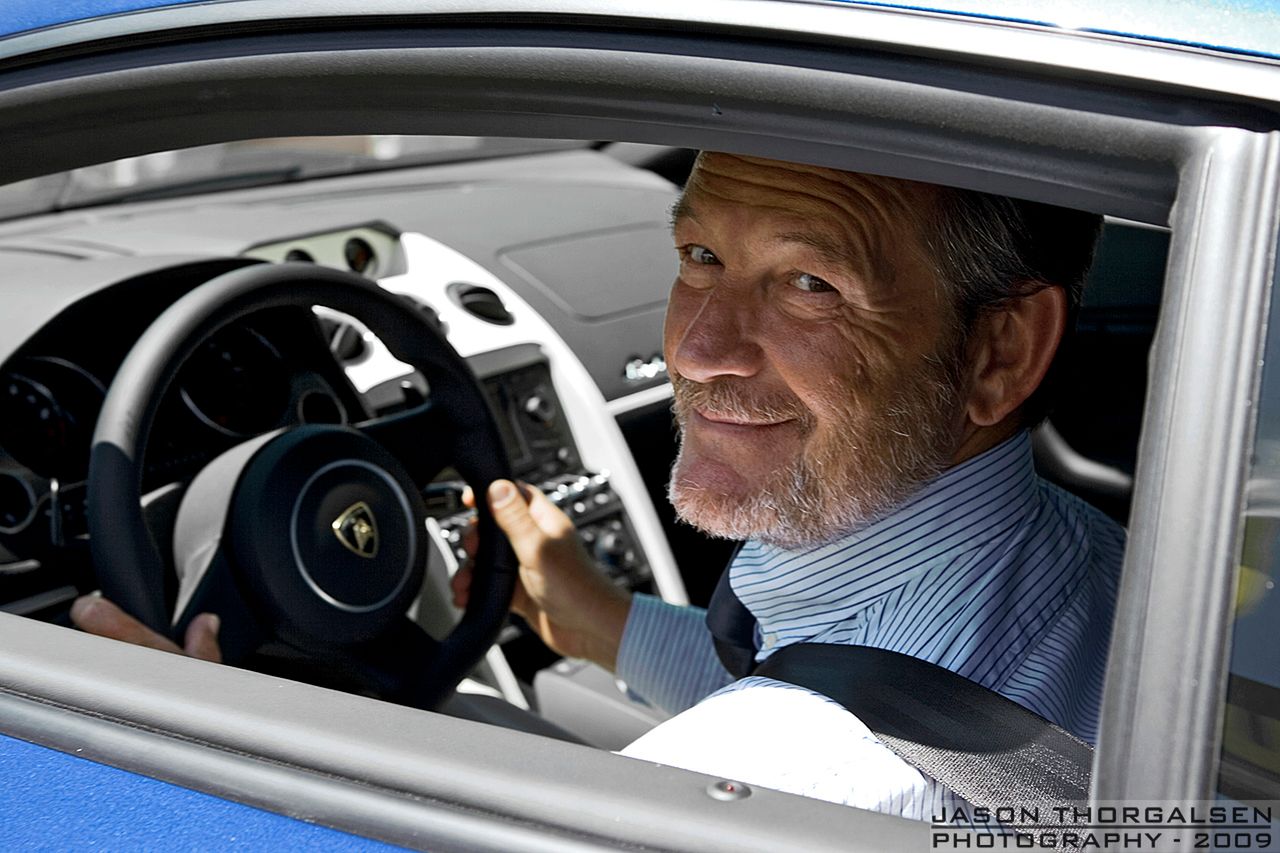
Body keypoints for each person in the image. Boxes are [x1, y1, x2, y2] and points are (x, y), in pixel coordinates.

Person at [72, 152, 1124, 818]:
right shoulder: (1094, 559)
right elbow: (833, 678)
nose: (698, 345)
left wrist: (181, 762)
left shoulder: (770, 784)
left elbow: (804, 730)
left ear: (1000, 350)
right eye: (700, 254)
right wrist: (604, 622)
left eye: (810, 284)